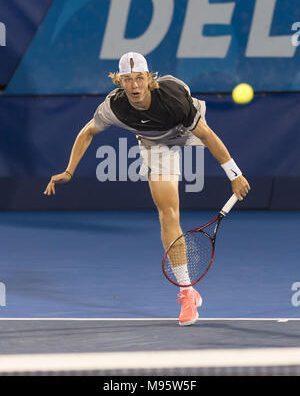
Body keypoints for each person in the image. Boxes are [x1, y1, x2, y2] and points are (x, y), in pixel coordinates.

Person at [44, 52, 250, 326]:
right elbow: (87, 132)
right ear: (119, 81)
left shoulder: (173, 99)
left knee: (195, 129)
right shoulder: (114, 107)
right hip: (155, 143)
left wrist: (234, 175)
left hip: (183, 126)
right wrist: (69, 171)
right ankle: (187, 292)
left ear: (149, 79)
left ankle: (187, 291)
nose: (134, 86)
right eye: (127, 80)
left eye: (139, 78)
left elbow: (207, 136)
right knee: (167, 214)